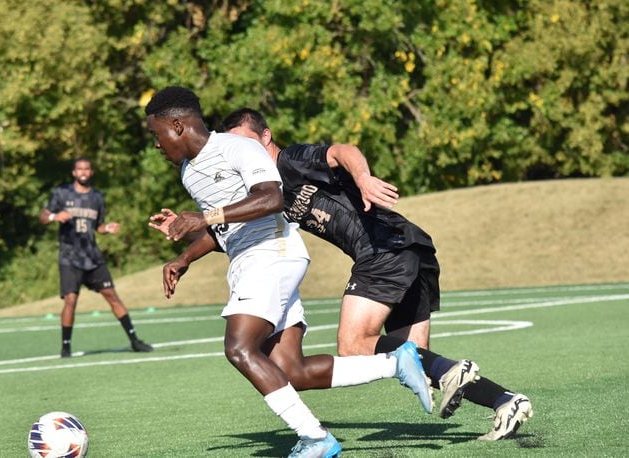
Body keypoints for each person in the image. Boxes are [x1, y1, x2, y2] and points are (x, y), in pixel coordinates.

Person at [144, 86, 434, 458]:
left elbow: (271, 198)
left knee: (239, 348)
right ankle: (395, 362)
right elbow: (224, 227)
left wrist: (206, 216)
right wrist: (183, 257)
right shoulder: (188, 172)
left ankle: (315, 437)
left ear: (178, 125)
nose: (156, 144)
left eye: (157, 134)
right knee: (291, 370)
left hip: (272, 254)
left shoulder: (238, 148)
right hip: (250, 261)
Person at [213, 108, 533, 441]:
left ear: (266, 136)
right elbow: (231, 231)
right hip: (408, 247)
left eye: (248, 143)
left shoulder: (289, 161)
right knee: (418, 362)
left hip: (383, 250)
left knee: (353, 346)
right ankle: (505, 401)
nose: (244, 154)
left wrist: (364, 179)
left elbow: (342, 151)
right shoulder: (267, 189)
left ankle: (459, 374)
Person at [40, 157, 153, 357]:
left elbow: (98, 226)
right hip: (70, 258)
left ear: (91, 172)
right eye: (79, 169)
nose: (83, 172)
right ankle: (65, 347)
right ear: (74, 173)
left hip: (92, 257)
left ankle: (135, 340)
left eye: (87, 169)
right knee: (70, 301)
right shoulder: (62, 193)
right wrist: (53, 217)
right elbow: (43, 215)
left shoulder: (97, 197)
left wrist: (106, 228)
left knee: (112, 296)